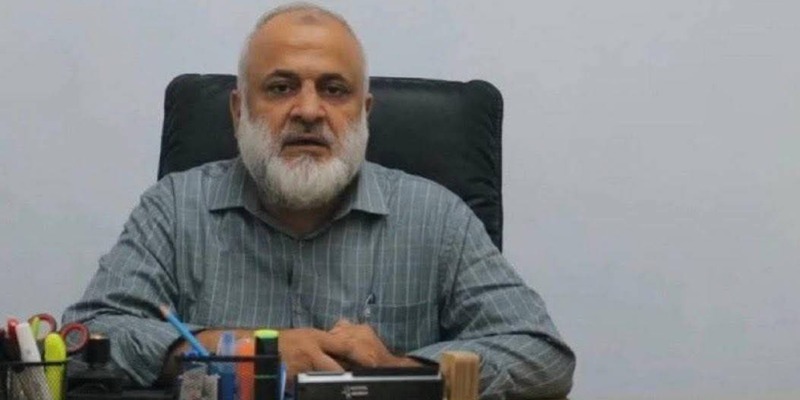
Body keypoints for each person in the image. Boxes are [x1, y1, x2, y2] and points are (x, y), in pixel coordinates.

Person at [63, 3, 575, 399]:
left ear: (364, 111)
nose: (308, 110)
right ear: (239, 110)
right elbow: (85, 336)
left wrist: (400, 372)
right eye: (281, 87)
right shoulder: (174, 208)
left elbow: (542, 353)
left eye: (334, 90)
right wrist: (247, 353)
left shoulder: (437, 216)